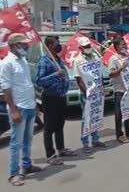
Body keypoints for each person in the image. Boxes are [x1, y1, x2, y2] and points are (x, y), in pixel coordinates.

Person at [0, 33, 42, 186]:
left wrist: (34, 103)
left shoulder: (23, 60)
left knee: (28, 140)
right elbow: (6, 89)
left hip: (30, 105)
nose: (27, 46)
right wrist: (14, 110)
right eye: (24, 44)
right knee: (16, 142)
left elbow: (27, 83)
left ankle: (27, 165)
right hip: (19, 108)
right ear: (15, 45)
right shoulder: (7, 63)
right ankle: (14, 173)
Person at [36, 36, 76, 165]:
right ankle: (50, 154)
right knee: (49, 127)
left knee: (60, 124)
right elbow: (40, 81)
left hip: (60, 97)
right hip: (50, 98)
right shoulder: (44, 61)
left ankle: (61, 148)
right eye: (56, 44)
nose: (59, 46)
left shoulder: (58, 59)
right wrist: (56, 74)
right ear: (49, 45)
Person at [73, 36, 106, 153]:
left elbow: (99, 74)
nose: (88, 48)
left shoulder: (95, 56)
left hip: (97, 92)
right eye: (86, 47)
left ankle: (95, 140)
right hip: (86, 94)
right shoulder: (78, 60)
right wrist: (86, 93)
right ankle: (85, 142)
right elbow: (78, 79)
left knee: (95, 115)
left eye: (89, 46)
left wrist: (102, 86)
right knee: (86, 117)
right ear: (80, 48)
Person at [108, 38, 129, 143]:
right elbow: (111, 74)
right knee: (119, 114)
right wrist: (122, 67)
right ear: (117, 46)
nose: (125, 46)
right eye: (123, 44)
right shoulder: (114, 59)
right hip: (120, 89)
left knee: (128, 110)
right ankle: (119, 134)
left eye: (125, 44)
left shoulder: (128, 57)